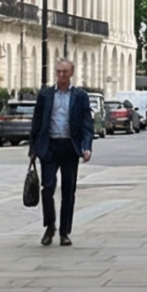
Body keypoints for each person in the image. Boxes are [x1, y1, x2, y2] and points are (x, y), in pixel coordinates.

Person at [33, 58, 93, 246]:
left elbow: (87, 124)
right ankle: (50, 225)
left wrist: (87, 146)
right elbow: (37, 122)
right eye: (58, 71)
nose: (61, 75)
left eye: (65, 72)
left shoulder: (80, 96)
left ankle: (64, 232)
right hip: (49, 145)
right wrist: (33, 148)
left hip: (69, 146)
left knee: (69, 191)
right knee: (47, 188)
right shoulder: (45, 95)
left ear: (71, 73)